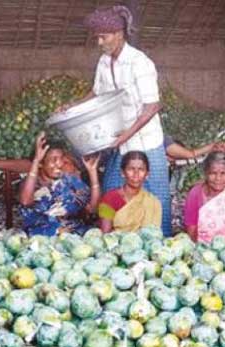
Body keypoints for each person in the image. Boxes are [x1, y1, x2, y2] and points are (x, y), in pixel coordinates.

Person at [60, 5, 171, 235]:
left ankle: (161, 243)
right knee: (112, 192)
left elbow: (152, 107)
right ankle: (108, 237)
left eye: (104, 37)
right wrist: (73, 106)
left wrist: (126, 136)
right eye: (97, 38)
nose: (100, 42)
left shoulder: (140, 63)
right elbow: (97, 93)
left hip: (145, 142)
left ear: (119, 34)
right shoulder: (104, 61)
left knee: (156, 198)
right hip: (118, 141)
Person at [19, 133, 101, 236]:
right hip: (42, 238)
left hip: (74, 235)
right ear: (41, 163)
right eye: (53, 159)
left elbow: (92, 208)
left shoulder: (70, 181)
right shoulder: (31, 184)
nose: (59, 163)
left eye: (61, 158)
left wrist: (92, 172)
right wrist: (36, 160)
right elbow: (26, 201)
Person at [98, 151, 161, 233]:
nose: (136, 174)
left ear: (147, 174)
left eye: (141, 169)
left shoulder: (153, 202)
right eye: (131, 169)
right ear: (122, 173)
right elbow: (105, 234)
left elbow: (154, 235)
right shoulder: (109, 198)